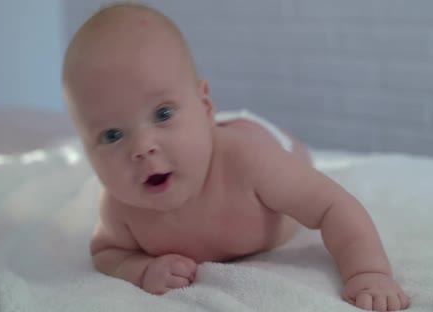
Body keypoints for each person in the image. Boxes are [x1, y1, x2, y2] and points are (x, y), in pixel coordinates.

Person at [62, 4, 410, 311]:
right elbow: (107, 253)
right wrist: (139, 270)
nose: (141, 147)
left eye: (163, 113)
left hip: (260, 138)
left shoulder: (252, 163)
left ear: (206, 104)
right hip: (203, 137)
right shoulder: (121, 208)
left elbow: (333, 206)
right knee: (193, 141)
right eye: (112, 135)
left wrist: (368, 271)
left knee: (295, 167)